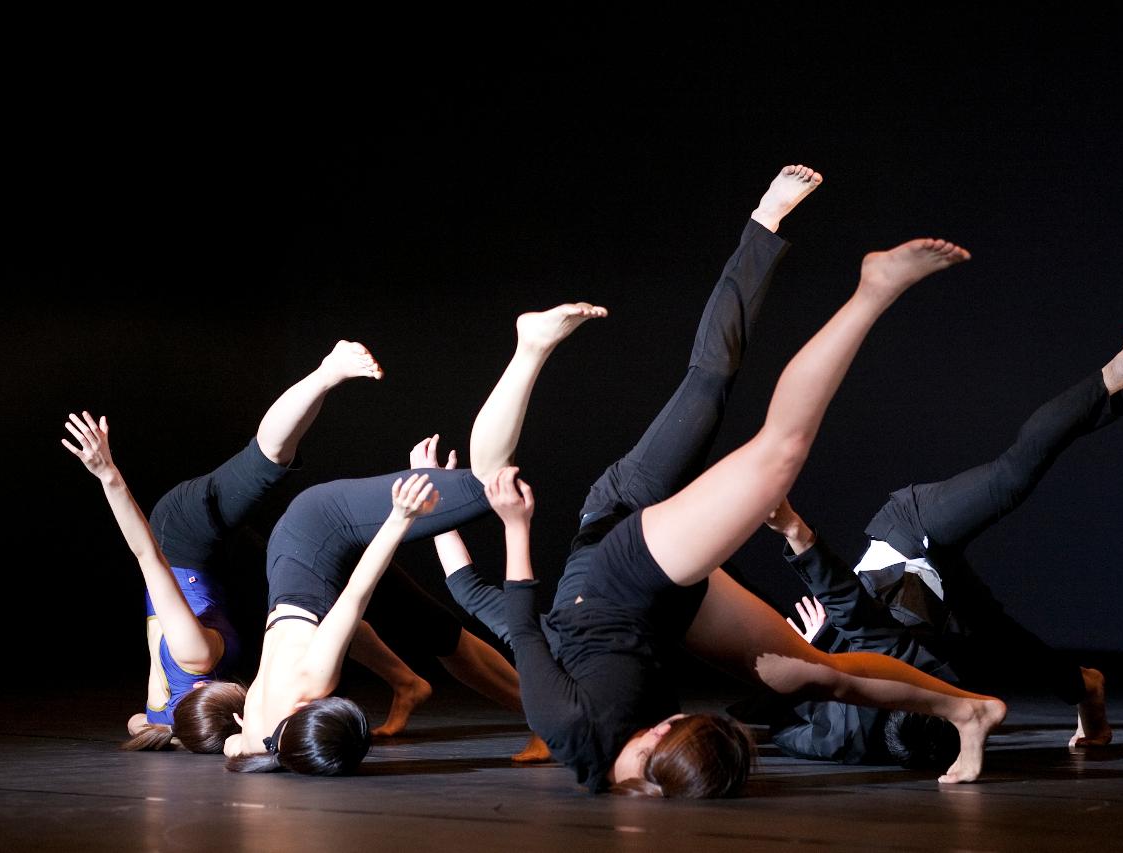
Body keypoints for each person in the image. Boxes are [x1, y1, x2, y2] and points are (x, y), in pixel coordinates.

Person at [438, 165, 1005, 797]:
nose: (673, 718)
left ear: (654, 747)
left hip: (618, 566)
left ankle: (865, 283)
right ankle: (968, 710)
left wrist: (509, 526)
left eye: (669, 727)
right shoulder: (642, 775)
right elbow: (488, 603)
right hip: (661, 603)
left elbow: (516, 623)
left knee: (774, 447)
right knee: (816, 674)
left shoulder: (566, 724)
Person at [735, 331, 1123, 766]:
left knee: (1009, 479)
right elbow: (856, 620)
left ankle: (1112, 376)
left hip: (907, 535)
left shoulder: (843, 731)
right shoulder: (942, 687)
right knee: (1002, 643)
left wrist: (807, 660)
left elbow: (782, 707)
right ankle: (1086, 686)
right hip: (936, 612)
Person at [221, 303, 608, 773]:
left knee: (486, 484)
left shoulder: (310, 682)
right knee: (441, 636)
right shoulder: (257, 739)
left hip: (320, 531)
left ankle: (531, 346)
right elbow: (233, 749)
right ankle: (533, 714)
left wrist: (402, 517)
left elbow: (357, 593)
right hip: (307, 570)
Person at [62, 341, 419, 751]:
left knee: (265, 465)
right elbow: (137, 723)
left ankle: (328, 370)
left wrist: (108, 474)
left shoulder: (192, 655)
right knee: (308, 606)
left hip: (178, 538)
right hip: (221, 575)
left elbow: (148, 556)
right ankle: (405, 681)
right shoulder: (162, 720)